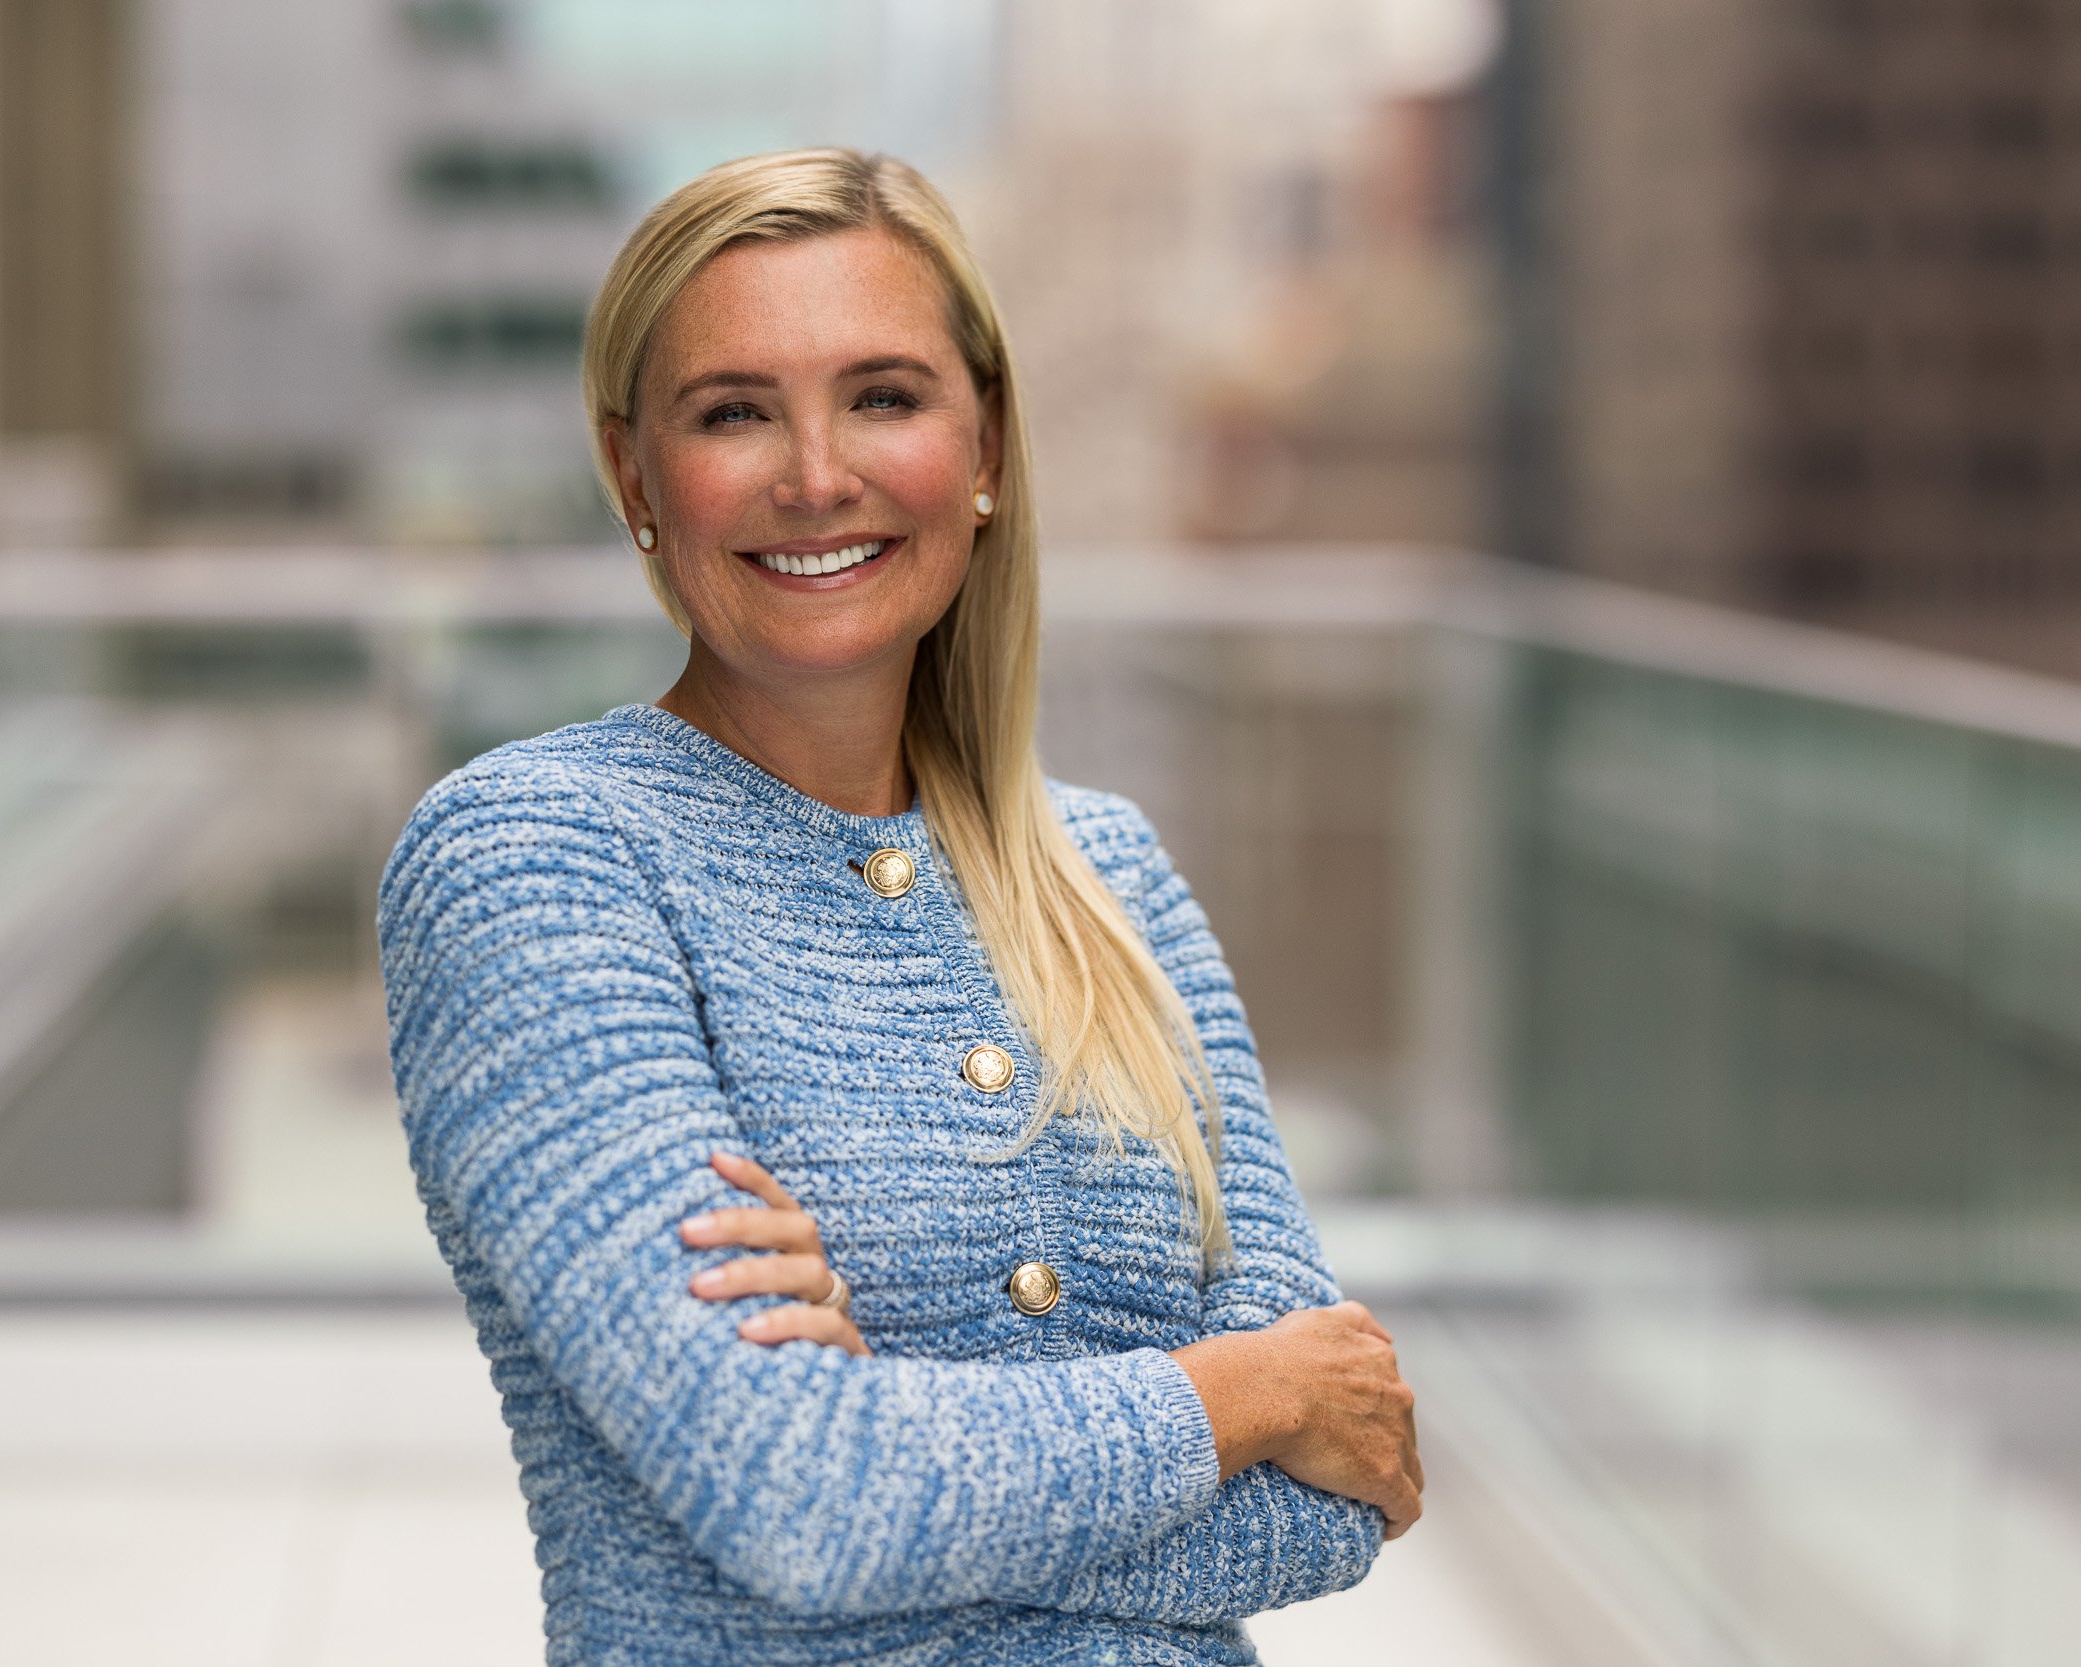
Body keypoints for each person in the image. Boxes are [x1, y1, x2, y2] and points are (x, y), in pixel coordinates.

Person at [379, 147, 1422, 1666]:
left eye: (883, 396)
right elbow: (805, 1501)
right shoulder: (533, 858)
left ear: (984, 443)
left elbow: (1338, 1509)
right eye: (734, 412)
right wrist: (1243, 1396)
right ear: (633, 478)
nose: (817, 473)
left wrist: (899, 1432)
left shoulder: (1110, 877)